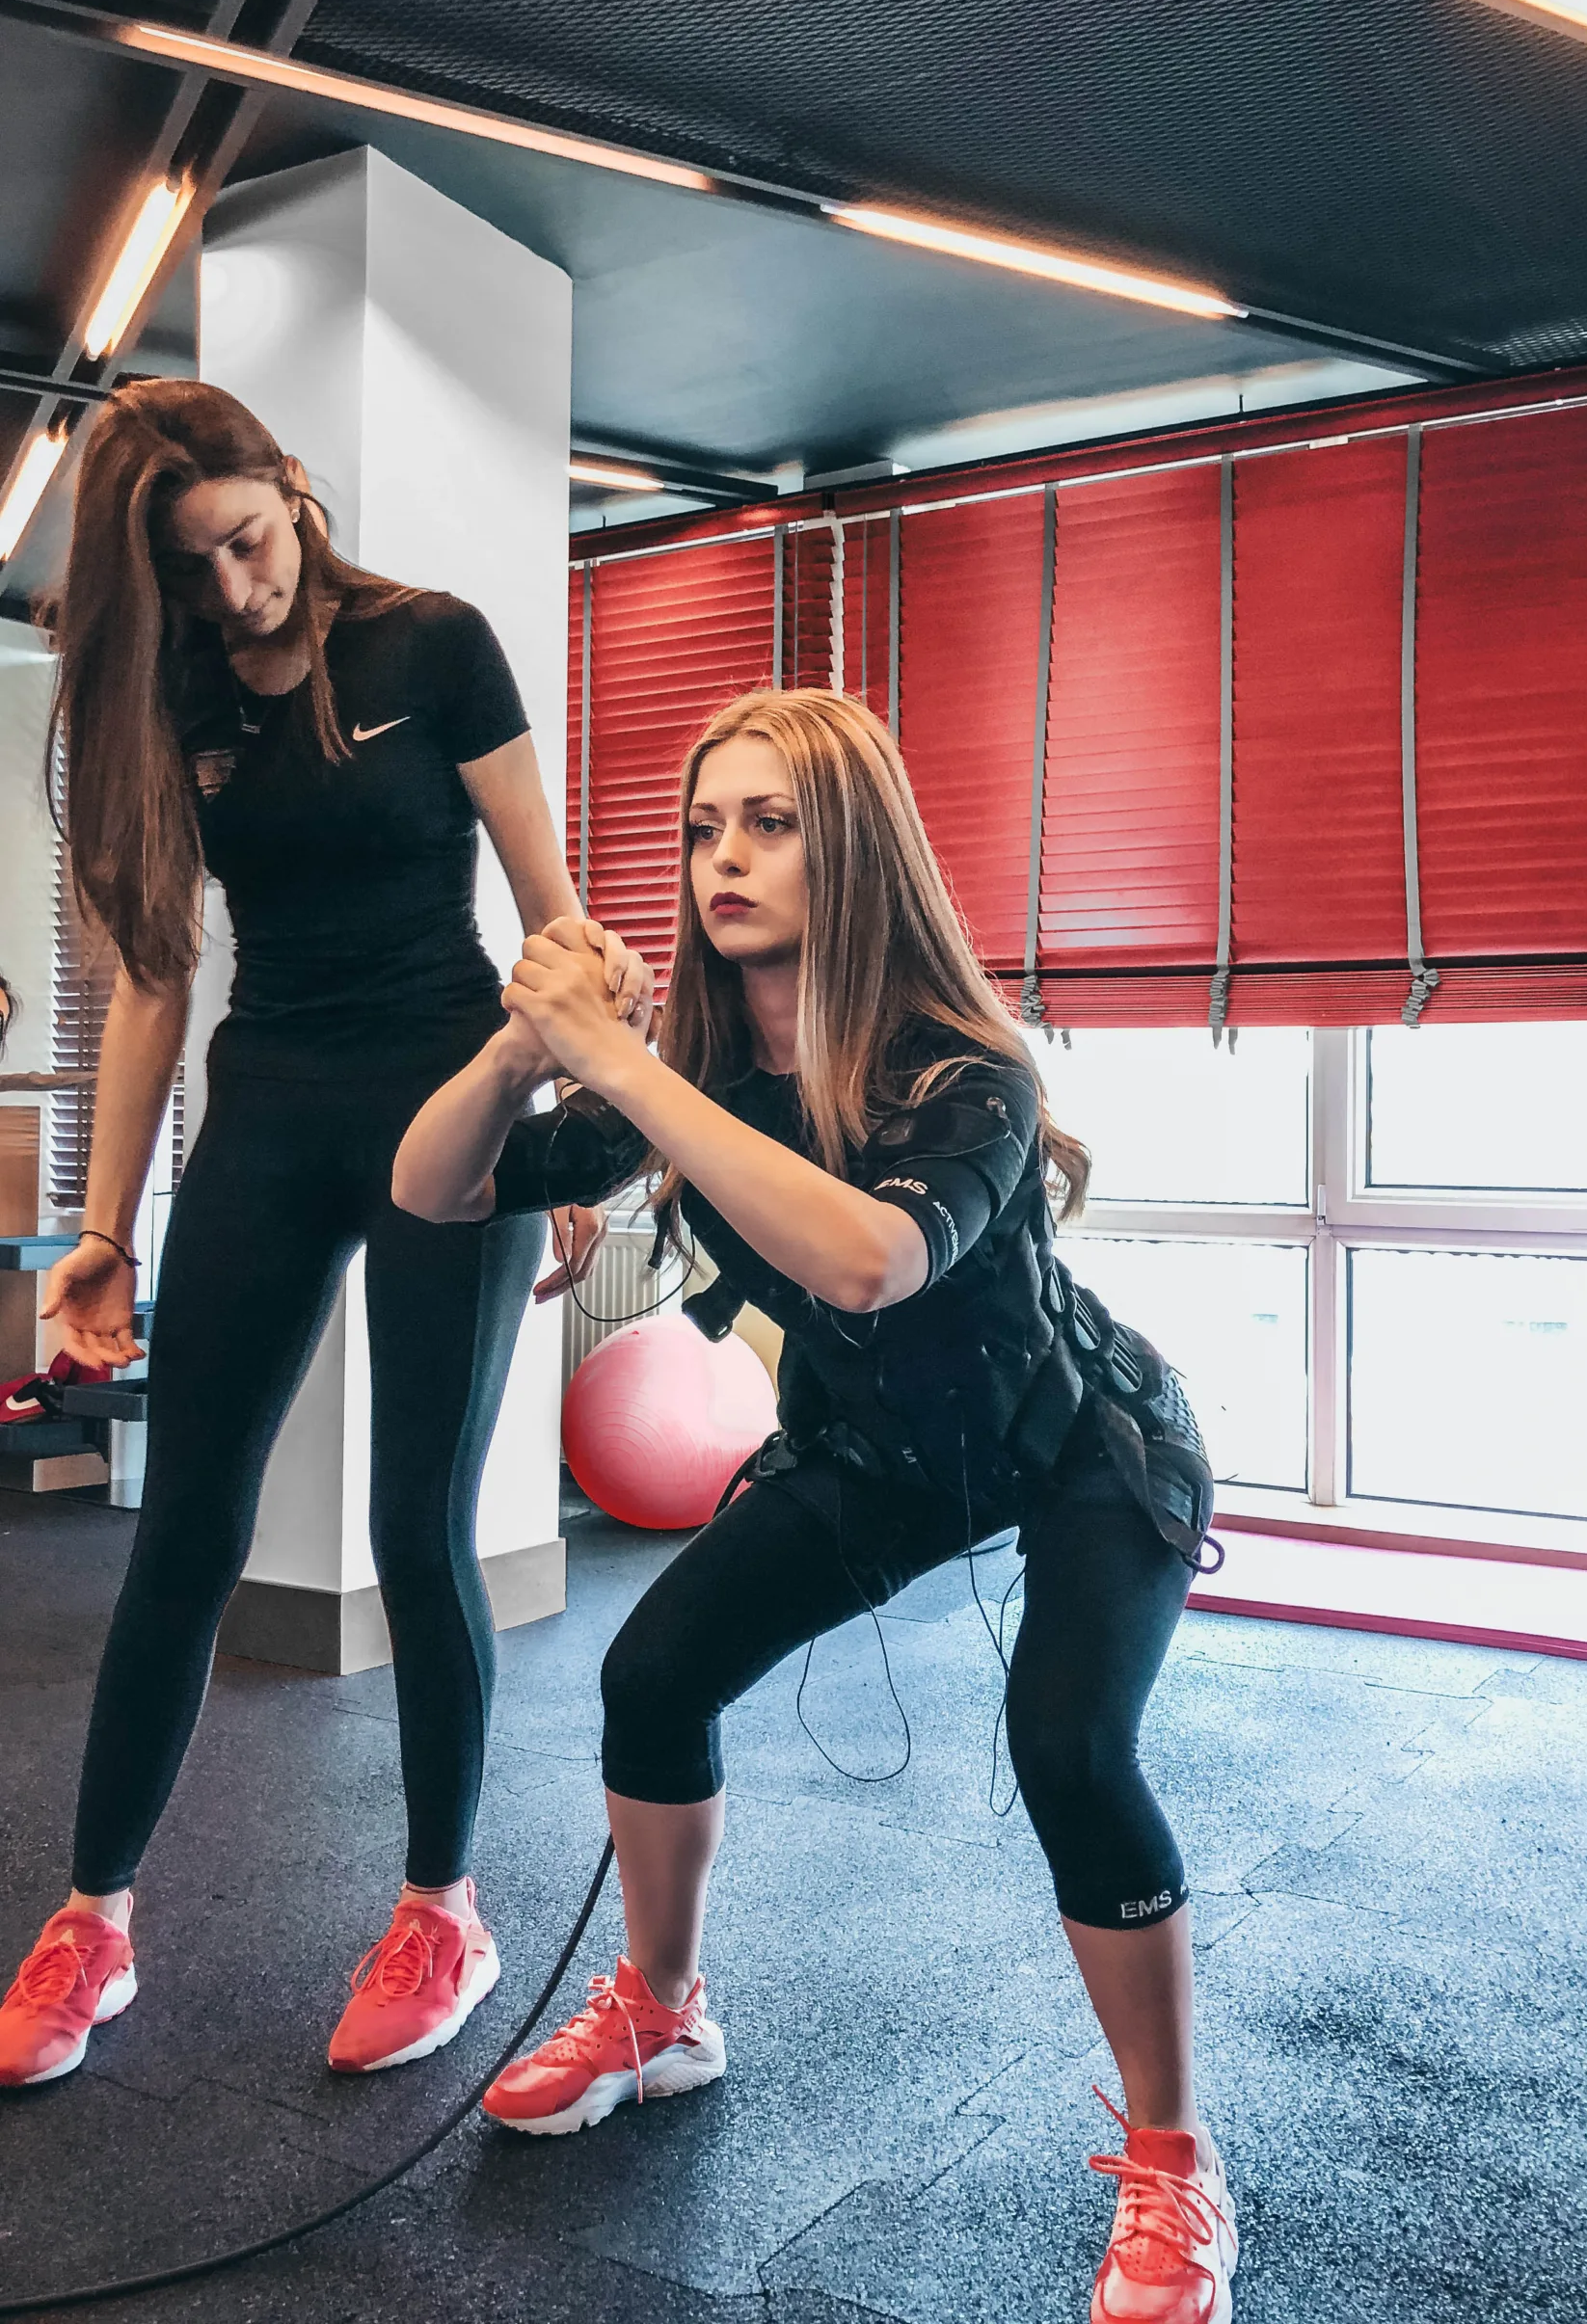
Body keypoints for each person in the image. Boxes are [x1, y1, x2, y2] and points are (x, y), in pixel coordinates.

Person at [394, 688, 1239, 2324]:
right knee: (652, 1677)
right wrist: (523, 1046)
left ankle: (1174, 2151)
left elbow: (867, 1253)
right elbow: (431, 1190)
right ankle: (662, 2005)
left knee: (1069, 1744)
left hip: (1081, 1444)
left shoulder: (963, 1068)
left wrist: (625, 1071)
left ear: (848, 848)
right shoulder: (704, 1066)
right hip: (878, 1454)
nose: (724, 856)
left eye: (769, 823)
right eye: (706, 825)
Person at [0, 381, 608, 2093]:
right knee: (185, 1527)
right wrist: (102, 1228)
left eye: (251, 543)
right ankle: (95, 1919)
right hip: (266, 1109)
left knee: (422, 1528)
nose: (238, 594)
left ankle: (442, 1909)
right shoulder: (176, 688)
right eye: (195, 572)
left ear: (292, 489)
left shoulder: (436, 649)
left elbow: (553, 919)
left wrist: (577, 1153)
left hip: (450, 1103)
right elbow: (149, 977)